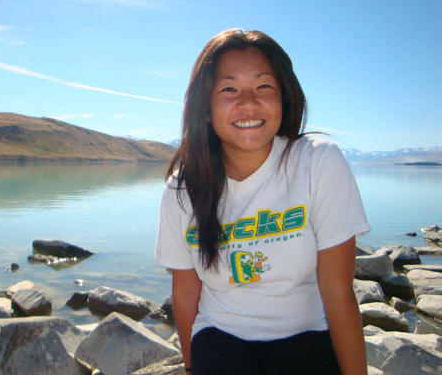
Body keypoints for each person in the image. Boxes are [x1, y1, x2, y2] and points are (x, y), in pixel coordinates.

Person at [155, 28, 370, 375]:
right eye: (229, 89)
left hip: (306, 333)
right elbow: (185, 293)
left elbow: (338, 290)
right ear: (205, 109)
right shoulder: (183, 188)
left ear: (284, 97)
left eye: (263, 86)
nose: (248, 102)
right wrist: (194, 368)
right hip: (220, 335)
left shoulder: (317, 162)